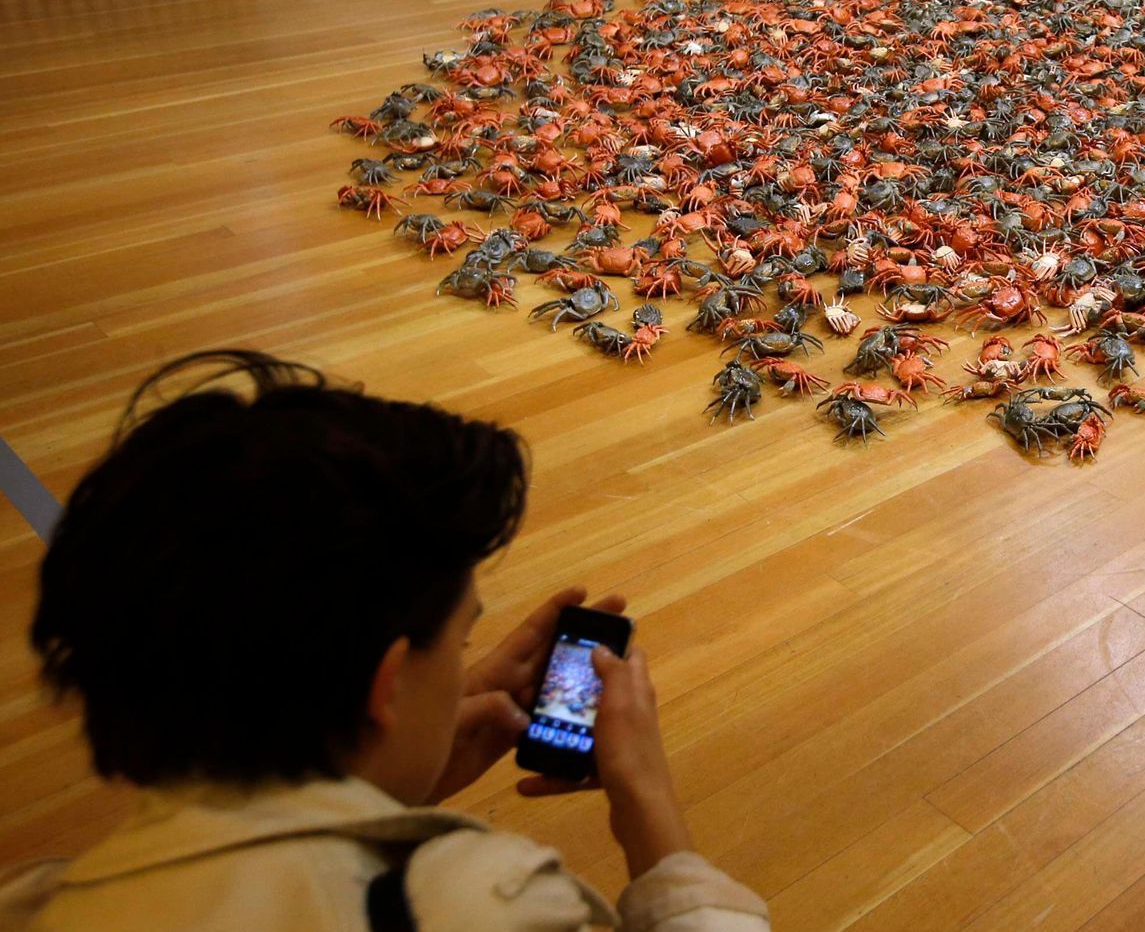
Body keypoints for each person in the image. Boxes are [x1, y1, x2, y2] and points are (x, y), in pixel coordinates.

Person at [0, 351, 768, 931]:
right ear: (385, 682)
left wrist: (380, 783)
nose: (471, 664)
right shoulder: (478, 904)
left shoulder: (35, 899)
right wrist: (649, 803)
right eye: (460, 640)